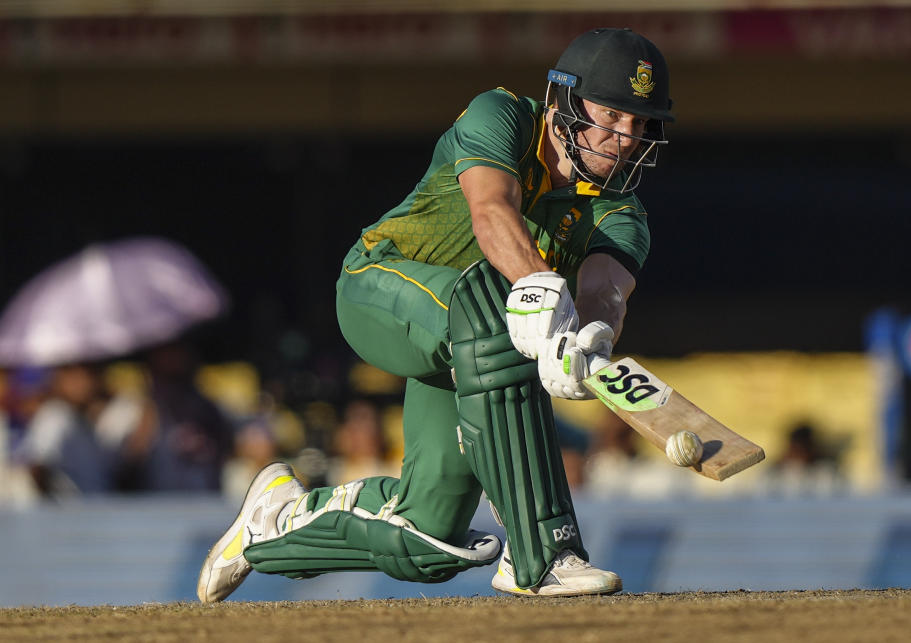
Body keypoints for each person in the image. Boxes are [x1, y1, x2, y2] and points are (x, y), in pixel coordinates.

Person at [197, 27, 674, 602]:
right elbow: (491, 209)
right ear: (564, 103)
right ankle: (546, 554)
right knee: (498, 318)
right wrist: (543, 290)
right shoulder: (499, 115)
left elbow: (606, 292)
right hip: (380, 287)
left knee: (426, 538)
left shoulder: (624, 211)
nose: (625, 139)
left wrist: (588, 338)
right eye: (611, 115)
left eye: (640, 124)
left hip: (470, 346)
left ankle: (271, 523)